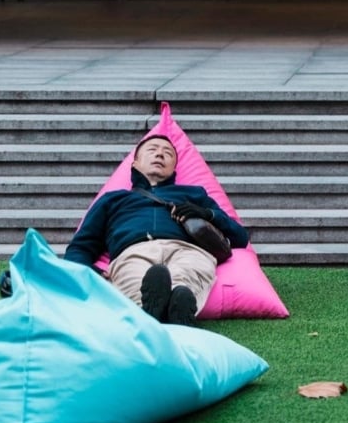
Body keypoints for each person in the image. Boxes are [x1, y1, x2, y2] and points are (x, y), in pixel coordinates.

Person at [64, 134, 249, 325]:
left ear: (174, 168)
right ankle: (163, 315)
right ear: (134, 163)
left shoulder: (193, 194)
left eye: (167, 153)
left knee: (183, 285)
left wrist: (207, 213)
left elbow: (240, 237)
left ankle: (165, 315)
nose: (160, 155)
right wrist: (88, 272)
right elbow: (80, 246)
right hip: (132, 251)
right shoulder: (113, 199)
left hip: (188, 250)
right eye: (152, 150)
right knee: (138, 284)